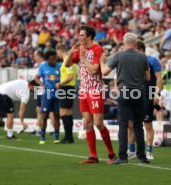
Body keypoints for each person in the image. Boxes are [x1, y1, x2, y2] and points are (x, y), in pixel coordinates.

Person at [66, 25, 116, 164]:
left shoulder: (97, 50)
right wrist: (71, 52)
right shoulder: (80, 49)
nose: (80, 37)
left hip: (95, 91)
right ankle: (93, 156)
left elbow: (94, 70)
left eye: (82, 35)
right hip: (84, 91)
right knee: (88, 123)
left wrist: (83, 58)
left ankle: (111, 154)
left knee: (98, 123)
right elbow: (67, 64)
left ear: (89, 36)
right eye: (79, 35)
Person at [101, 32, 151, 164]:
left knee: (123, 125)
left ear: (123, 43)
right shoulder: (143, 57)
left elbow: (104, 72)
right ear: (135, 43)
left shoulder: (119, 55)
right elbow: (148, 78)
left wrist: (101, 62)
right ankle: (142, 156)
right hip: (139, 92)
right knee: (138, 125)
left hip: (124, 91)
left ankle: (123, 157)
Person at [127, 41, 162, 160]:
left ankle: (148, 151)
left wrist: (157, 94)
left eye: (135, 50)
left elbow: (159, 79)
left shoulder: (152, 61)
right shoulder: (131, 62)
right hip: (134, 94)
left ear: (141, 50)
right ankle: (131, 150)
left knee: (147, 124)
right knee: (130, 124)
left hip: (148, 94)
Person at [36, 50, 61, 144]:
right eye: (52, 59)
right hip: (47, 93)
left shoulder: (59, 66)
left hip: (57, 93)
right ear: (47, 59)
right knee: (44, 115)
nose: (54, 61)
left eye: (55, 59)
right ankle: (42, 138)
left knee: (56, 115)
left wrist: (61, 84)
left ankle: (56, 137)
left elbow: (63, 78)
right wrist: (41, 84)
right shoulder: (42, 66)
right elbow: (36, 78)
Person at [56, 44, 77, 144]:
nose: (57, 55)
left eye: (57, 52)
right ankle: (69, 137)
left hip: (66, 88)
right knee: (68, 112)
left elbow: (70, 77)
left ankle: (68, 137)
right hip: (70, 88)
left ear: (60, 50)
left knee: (64, 112)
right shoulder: (71, 61)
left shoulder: (67, 61)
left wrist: (60, 83)